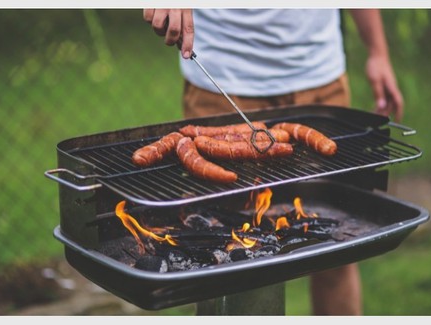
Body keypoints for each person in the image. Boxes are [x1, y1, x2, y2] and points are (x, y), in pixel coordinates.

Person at [143, 8, 404, 315]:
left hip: (320, 78)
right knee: (227, 257)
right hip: (222, 81)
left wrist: (377, 50)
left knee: (336, 250)